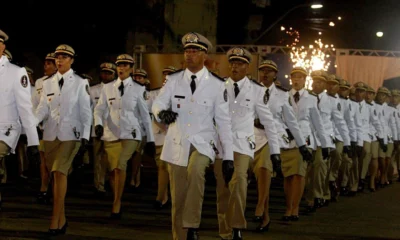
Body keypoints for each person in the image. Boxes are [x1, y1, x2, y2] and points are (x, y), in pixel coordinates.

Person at [152, 32, 233, 240]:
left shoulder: (217, 85)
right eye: (187, 50)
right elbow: (158, 103)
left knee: (196, 170)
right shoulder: (173, 80)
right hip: (177, 143)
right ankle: (181, 236)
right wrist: (161, 113)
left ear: (204, 55)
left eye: (194, 51)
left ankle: (192, 225)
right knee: (178, 197)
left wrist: (229, 157)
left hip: (203, 143)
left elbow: (223, 122)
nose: (189, 54)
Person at [35, 44, 91, 235]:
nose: (59, 60)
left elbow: (85, 111)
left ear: (72, 60)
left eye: (64, 57)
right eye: (57, 57)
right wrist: (32, 123)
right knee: (55, 176)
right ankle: (62, 220)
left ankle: (53, 221)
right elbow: (43, 108)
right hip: (50, 135)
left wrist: (85, 136)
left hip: (71, 135)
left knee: (60, 171)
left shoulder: (79, 82)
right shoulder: (47, 83)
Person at [94, 54, 155, 218]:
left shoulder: (139, 89)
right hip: (111, 134)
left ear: (131, 68)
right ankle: (116, 196)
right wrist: (98, 123)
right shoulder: (107, 88)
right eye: (119, 65)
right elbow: (99, 109)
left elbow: (144, 116)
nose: (122, 68)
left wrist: (150, 139)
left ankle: (117, 203)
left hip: (131, 133)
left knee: (121, 165)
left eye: (125, 65)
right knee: (113, 170)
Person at [256, 60, 312, 224]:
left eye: (269, 71)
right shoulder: (250, 91)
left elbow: (294, 122)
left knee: (278, 171)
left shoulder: (282, 95)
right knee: (282, 175)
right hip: (253, 138)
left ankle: (284, 208)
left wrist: (303, 145)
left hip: (279, 138)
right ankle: (268, 212)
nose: (265, 74)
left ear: (275, 75)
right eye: (262, 70)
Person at [0, 29, 39, 211]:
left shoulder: (16, 72)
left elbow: (25, 107)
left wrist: (33, 140)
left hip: (5, 129)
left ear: (3, 47)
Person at [151, 66, 177, 210]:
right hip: (161, 135)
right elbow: (153, 115)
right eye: (165, 75)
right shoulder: (155, 93)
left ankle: (174, 196)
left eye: (170, 75)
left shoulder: (180, 92)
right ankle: (161, 196)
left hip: (177, 135)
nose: (167, 77)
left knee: (175, 169)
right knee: (162, 166)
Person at [90, 62, 116, 195]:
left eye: (109, 73)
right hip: (98, 129)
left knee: (113, 161)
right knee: (98, 159)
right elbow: (88, 111)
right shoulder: (92, 90)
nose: (106, 75)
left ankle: (113, 184)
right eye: (104, 72)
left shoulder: (118, 89)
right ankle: (99, 185)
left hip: (114, 131)